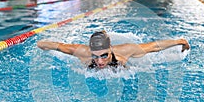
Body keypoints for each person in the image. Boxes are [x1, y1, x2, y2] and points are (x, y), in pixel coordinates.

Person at [37, 31, 190, 69]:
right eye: (95, 57)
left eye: (104, 56)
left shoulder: (124, 51)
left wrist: (179, 42)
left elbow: (154, 46)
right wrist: (43, 44)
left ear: (110, 49)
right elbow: (59, 46)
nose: (100, 61)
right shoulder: (82, 53)